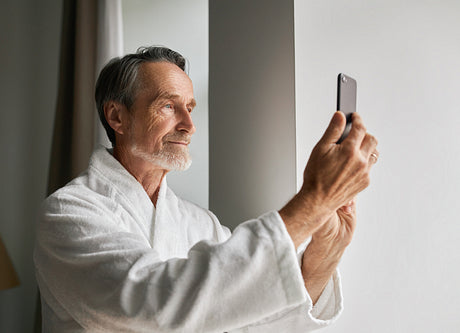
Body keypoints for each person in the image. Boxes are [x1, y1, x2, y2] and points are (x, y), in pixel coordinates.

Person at [34, 46, 378, 332]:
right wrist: (313, 202)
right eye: (169, 106)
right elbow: (156, 307)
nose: (189, 125)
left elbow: (257, 321)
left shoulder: (202, 224)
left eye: (190, 108)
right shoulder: (69, 213)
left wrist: (323, 255)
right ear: (117, 117)